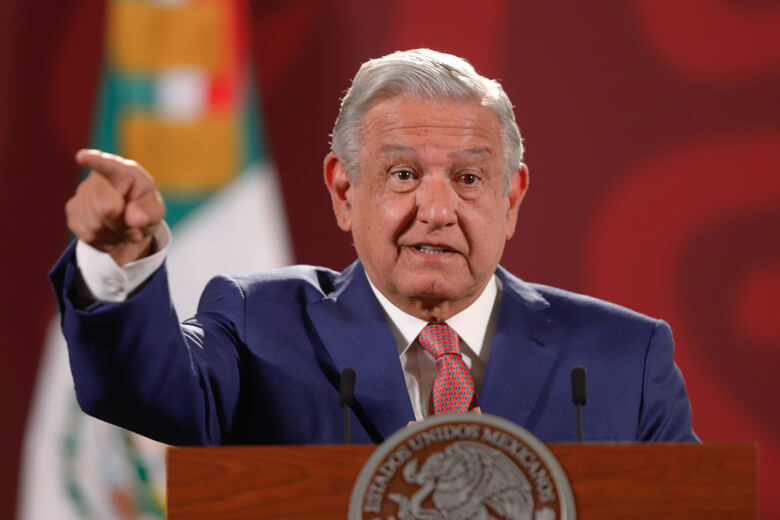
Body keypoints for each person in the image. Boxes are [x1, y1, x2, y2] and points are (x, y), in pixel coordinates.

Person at [51, 49, 698, 445]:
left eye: (469, 178)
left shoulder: (624, 358)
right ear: (343, 190)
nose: (437, 210)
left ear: (512, 197)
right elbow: (144, 390)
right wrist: (120, 262)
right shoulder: (260, 326)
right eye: (404, 174)